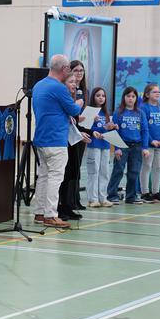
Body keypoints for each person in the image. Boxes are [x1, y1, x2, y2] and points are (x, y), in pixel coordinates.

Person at [31, 54, 84, 229]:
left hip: (41, 138)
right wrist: (79, 102)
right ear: (64, 69)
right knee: (55, 177)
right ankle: (51, 215)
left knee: (44, 176)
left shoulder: (38, 85)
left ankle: (39, 212)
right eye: (69, 68)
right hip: (56, 139)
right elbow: (73, 109)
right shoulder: (59, 88)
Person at [106, 86, 150, 205]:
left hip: (136, 146)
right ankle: (112, 195)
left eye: (133, 96)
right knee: (118, 170)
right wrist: (117, 148)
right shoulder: (118, 112)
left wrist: (145, 147)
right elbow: (115, 132)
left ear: (136, 98)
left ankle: (131, 196)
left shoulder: (140, 113)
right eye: (128, 96)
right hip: (122, 146)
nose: (130, 99)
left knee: (134, 172)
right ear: (124, 97)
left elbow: (145, 131)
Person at [57, 73, 91, 220]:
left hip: (73, 142)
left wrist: (80, 134)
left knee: (71, 174)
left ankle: (67, 205)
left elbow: (72, 124)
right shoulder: (64, 101)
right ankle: (59, 207)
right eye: (70, 82)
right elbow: (65, 122)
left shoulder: (73, 100)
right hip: (63, 142)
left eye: (75, 83)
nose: (74, 84)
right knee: (62, 176)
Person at [85, 86, 117, 208]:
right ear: (93, 97)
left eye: (103, 96)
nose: (101, 98)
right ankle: (92, 199)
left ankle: (103, 198)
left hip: (105, 145)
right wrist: (100, 128)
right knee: (94, 172)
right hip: (94, 145)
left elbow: (106, 129)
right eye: (98, 95)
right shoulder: (90, 112)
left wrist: (113, 127)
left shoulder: (106, 113)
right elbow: (87, 128)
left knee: (105, 172)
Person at [139, 83, 160, 203]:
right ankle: (145, 192)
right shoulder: (143, 108)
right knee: (146, 167)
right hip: (148, 144)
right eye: (154, 92)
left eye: (159, 92)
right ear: (147, 94)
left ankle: (156, 191)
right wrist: (152, 140)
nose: (158, 94)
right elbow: (144, 127)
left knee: (158, 167)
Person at [69, 60, 89, 210]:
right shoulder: (68, 90)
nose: (79, 73)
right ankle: (69, 201)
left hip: (83, 130)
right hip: (71, 132)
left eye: (81, 70)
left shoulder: (84, 90)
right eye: (76, 70)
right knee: (71, 168)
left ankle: (76, 199)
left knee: (77, 167)